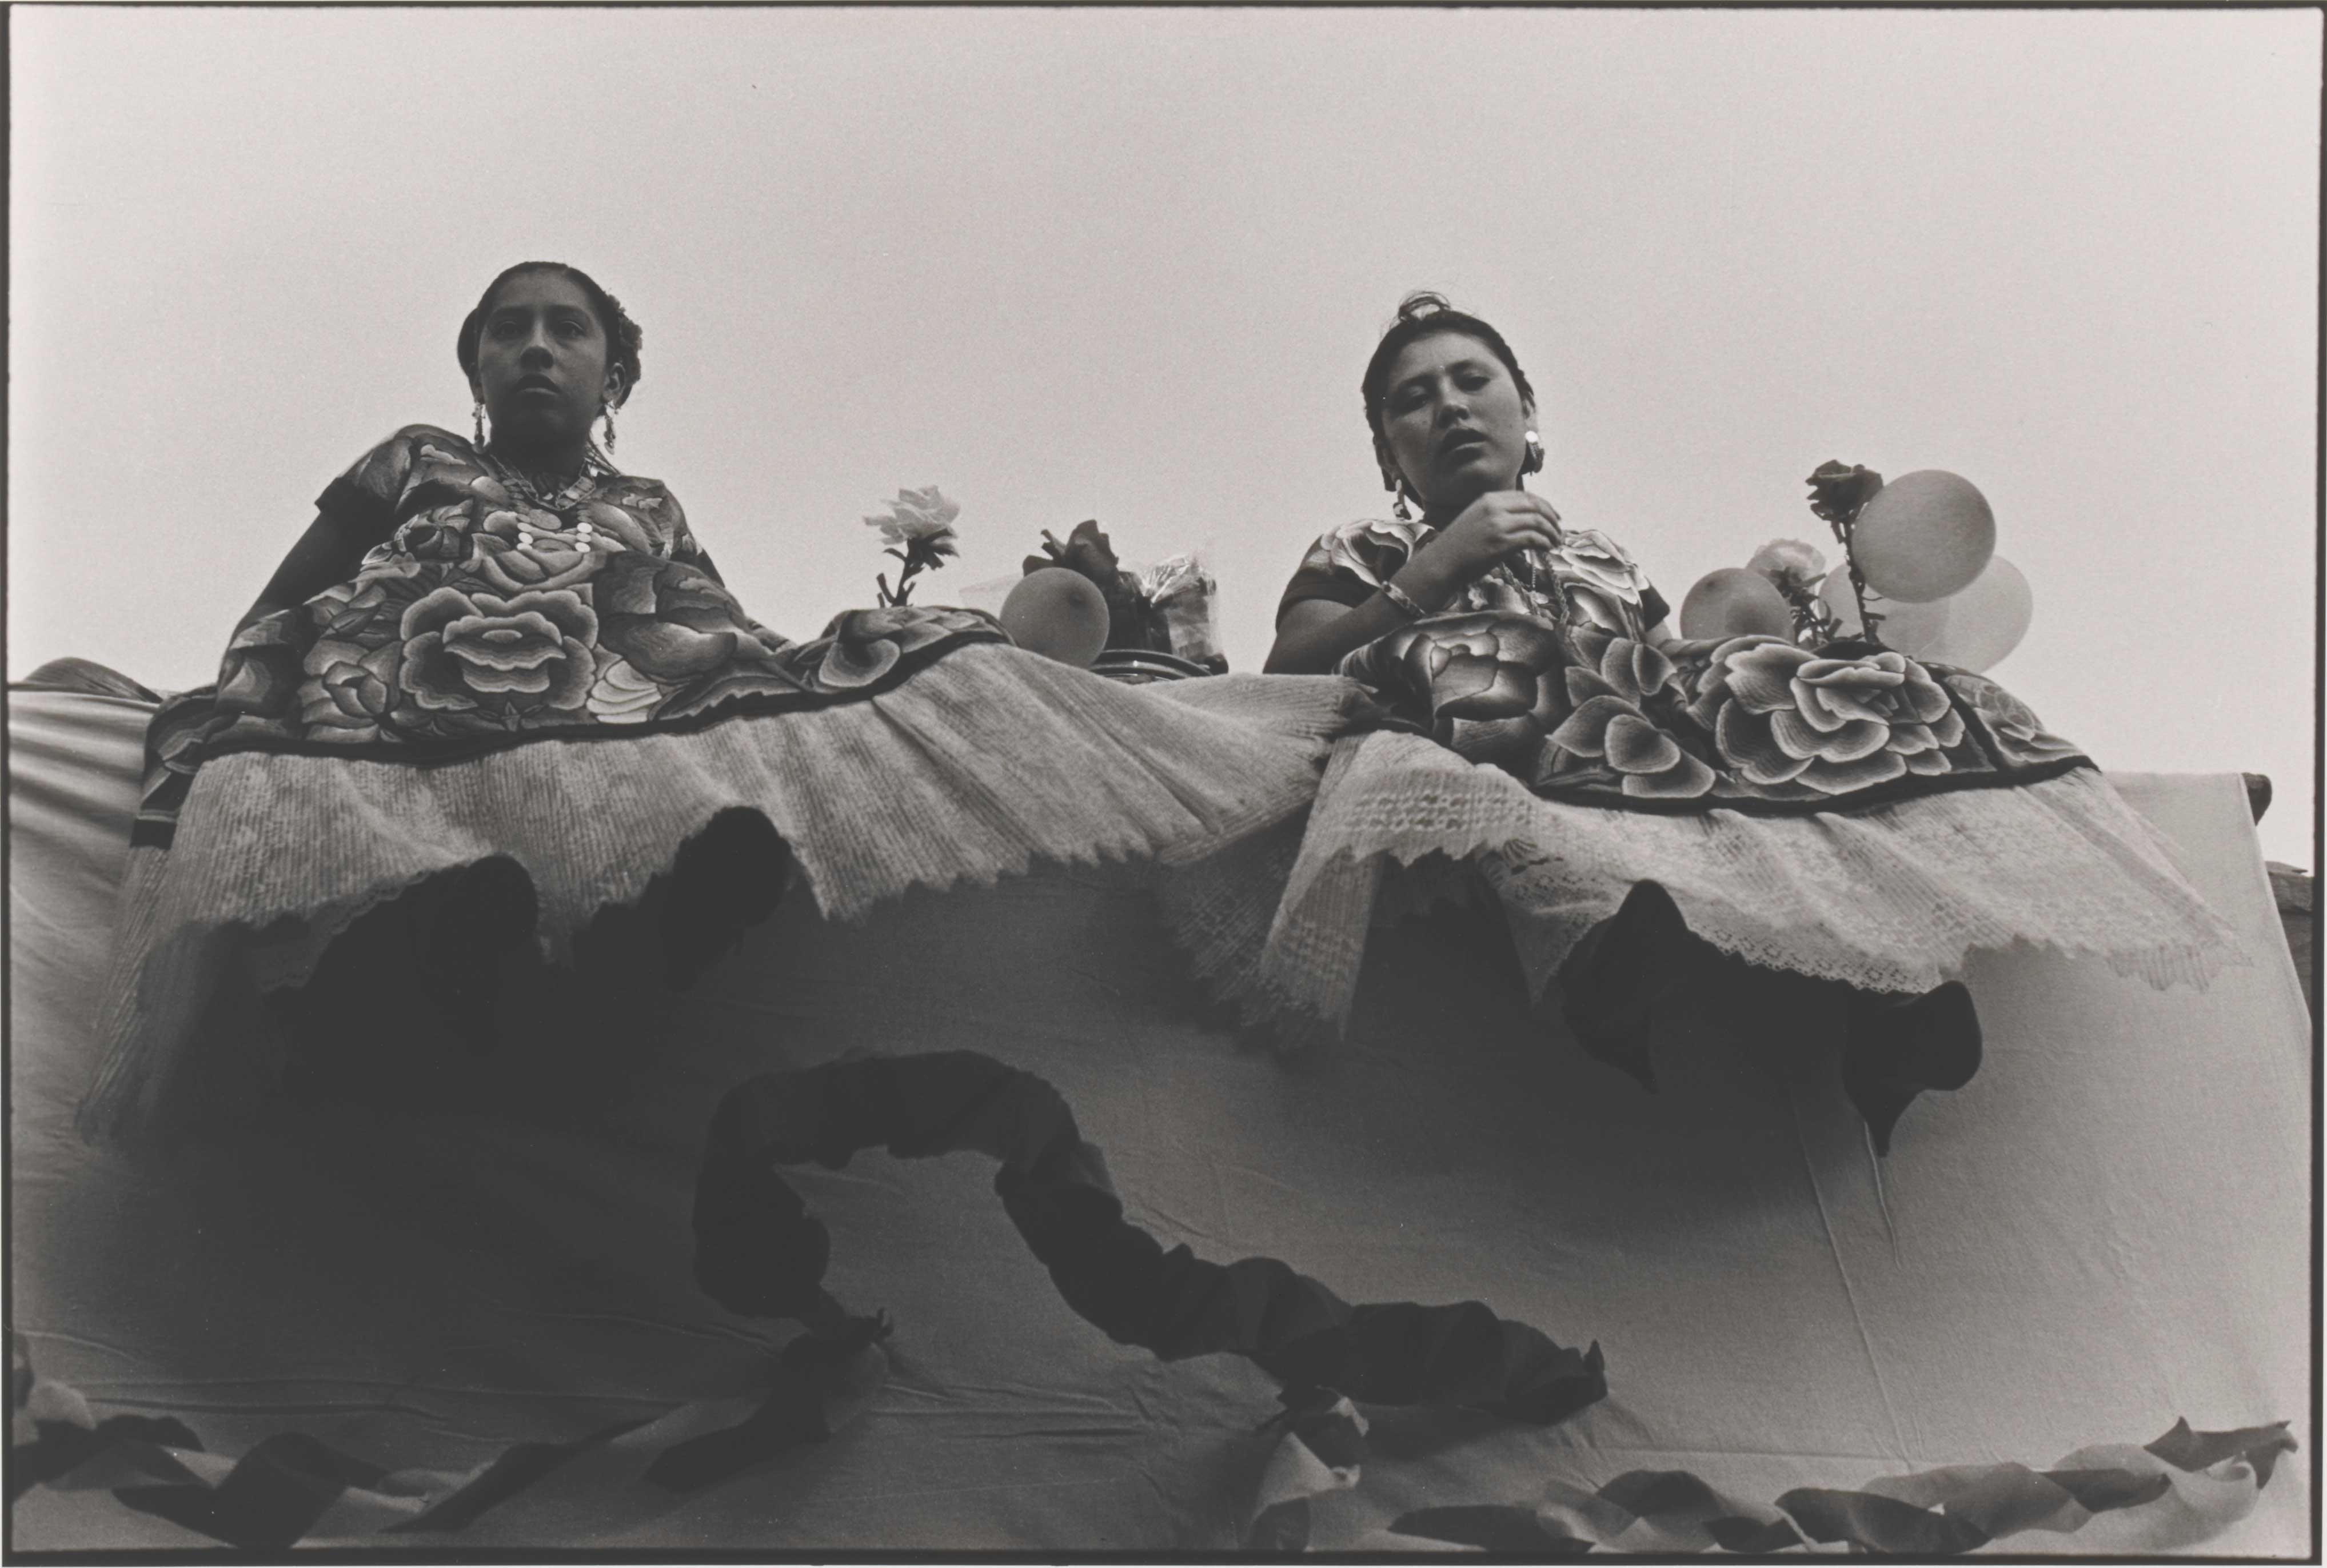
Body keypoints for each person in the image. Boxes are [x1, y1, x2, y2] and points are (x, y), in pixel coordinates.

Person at [79, 262, 1352, 1138]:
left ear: (611, 376)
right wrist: (245, 703)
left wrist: (886, 647)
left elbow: (718, 637)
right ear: (471, 368)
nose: (533, 345)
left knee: (745, 805)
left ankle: (604, 977)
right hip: (394, 709)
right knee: (452, 892)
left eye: (565, 329)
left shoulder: (645, 507)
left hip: (610, 710)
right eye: (506, 328)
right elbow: (282, 600)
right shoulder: (413, 457)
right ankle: (457, 991)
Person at [1263, 293, 2237, 1152]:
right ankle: (1598, 962)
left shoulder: (1599, 557)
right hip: (1501, 755)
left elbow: (1667, 676)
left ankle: (1891, 986)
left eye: (1471, 380)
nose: (1448, 407)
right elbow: (1290, 672)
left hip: (1629, 764)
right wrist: (1430, 574)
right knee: (1492, 663)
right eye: (1413, 398)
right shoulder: (1366, 545)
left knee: (1815, 690)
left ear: (1526, 409)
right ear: (1389, 450)